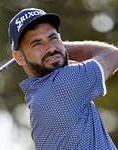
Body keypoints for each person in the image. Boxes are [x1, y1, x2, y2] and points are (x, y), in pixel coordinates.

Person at [8, 8, 118, 149]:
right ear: (19, 57)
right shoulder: (61, 85)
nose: (50, 48)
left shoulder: (36, 95)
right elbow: (112, 55)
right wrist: (60, 49)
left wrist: (55, 50)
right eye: (36, 44)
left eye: (53, 38)